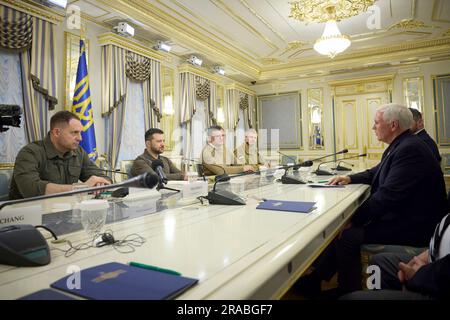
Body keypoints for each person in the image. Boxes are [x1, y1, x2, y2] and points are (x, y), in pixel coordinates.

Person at [295, 103, 448, 297]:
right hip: (405, 217)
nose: (373, 128)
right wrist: (350, 178)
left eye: (376, 123)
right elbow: (377, 172)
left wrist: (350, 219)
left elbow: (387, 197)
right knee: (343, 230)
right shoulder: (402, 144)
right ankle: (316, 279)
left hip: (413, 226)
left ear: (392, 125)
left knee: (347, 236)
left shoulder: (409, 149)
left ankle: (347, 289)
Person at [342, 212, 450, 300]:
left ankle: (347, 289)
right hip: (435, 260)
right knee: (378, 263)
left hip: (440, 282)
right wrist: (422, 257)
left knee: (349, 298)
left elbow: (384, 199)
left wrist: (421, 275)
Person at [9, 111, 111, 199]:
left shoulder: (79, 152)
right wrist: (82, 188)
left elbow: (102, 177)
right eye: (74, 132)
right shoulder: (30, 152)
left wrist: (101, 182)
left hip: (63, 213)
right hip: (27, 215)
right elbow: (30, 189)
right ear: (57, 132)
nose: (80, 138)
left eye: (80, 133)